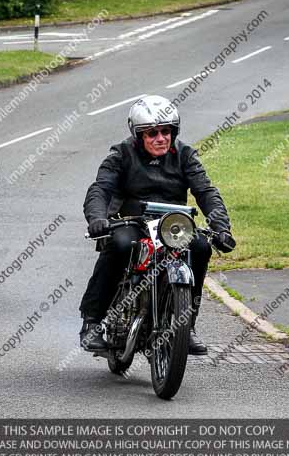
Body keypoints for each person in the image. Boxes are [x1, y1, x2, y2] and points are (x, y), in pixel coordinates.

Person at [80, 95, 235, 355]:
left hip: (172, 225)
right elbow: (100, 188)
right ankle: (92, 322)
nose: (160, 138)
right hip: (132, 222)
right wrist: (97, 218)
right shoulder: (121, 154)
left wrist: (221, 227)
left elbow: (206, 191)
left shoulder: (185, 155)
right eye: (152, 133)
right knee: (118, 246)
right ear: (139, 135)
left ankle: (187, 327)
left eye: (166, 131)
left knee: (200, 247)